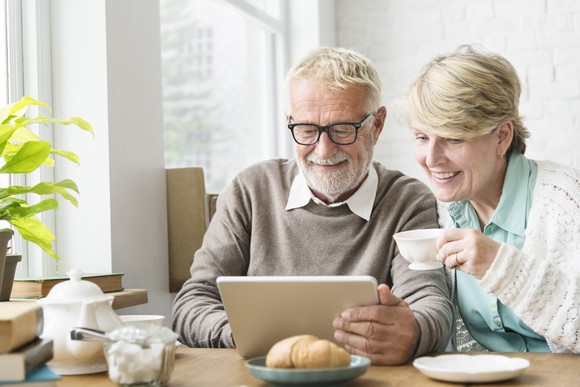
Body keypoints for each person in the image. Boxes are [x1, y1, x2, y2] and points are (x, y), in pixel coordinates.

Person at [172, 47, 453, 365]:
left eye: (343, 129)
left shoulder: (408, 201)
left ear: (376, 126)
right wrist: (249, 337)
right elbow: (192, 304)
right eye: (307, 129)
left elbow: (430, 305)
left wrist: (413, 333)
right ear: (289, 123)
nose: (323, 149)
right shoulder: (250, 190)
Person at [398, 44, 580, 353]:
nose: (431, 159)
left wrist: (500, 266)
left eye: (453, 138)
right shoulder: (442, 213)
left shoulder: (566, 200)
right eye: (422, 137)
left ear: (502, 137)